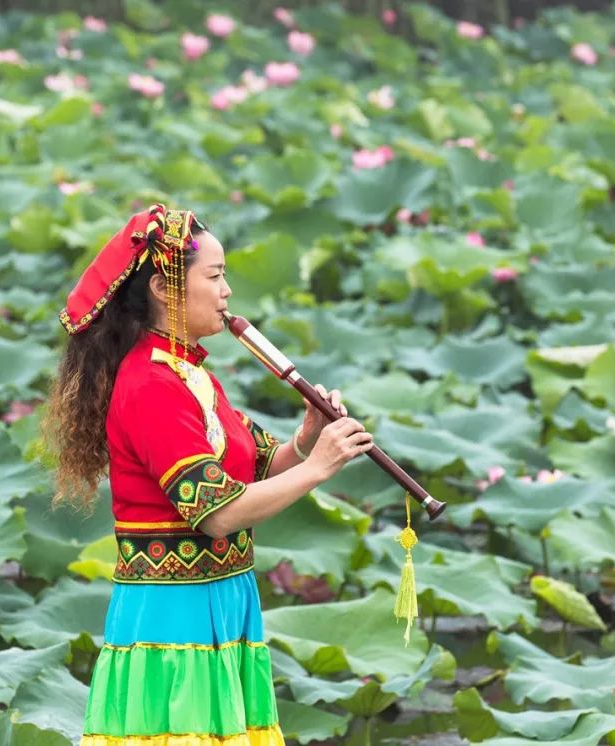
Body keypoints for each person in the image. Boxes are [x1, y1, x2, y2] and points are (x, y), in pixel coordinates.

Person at [42, 203, 375, 745]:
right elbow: (217, 513)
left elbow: (254, 465)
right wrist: (320, 468)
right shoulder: (151, 386)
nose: (226, 293)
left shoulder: (189, 371)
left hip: (221, 599)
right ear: (163, 285)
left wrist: (307, 436)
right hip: (174, 621)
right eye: (215, 277)